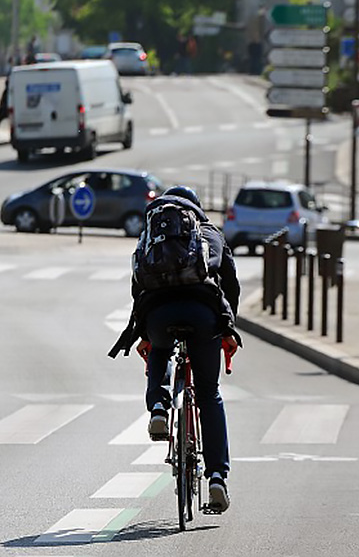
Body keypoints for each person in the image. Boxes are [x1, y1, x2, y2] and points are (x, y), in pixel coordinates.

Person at [110, 186, 241, 513]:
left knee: (159, 351)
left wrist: (143, 331)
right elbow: (231, 282)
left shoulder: (150, 234)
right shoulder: (208, 231)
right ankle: (216, 479)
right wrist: (228, 324)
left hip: (158, 313)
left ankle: (158, 408)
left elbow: (137, 285)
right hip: (202, 314)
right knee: (208, 394)